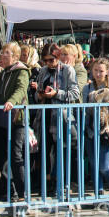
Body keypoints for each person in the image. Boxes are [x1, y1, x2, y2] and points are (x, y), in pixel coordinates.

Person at [33, 42, 79, 193]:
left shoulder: (67, 70)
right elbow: (36, 95)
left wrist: (56, 94)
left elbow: (74, 93)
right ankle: (46, 184)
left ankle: (66, 183)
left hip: (61, 117)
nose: (48, 63)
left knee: (64, 151)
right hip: (44, 116)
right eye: (45, 60)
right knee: (44, 151)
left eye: (51, 60)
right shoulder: (43, 71)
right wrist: (39, 94)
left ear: (57, 57)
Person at [0, 42, 29, 207]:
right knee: (1, 155)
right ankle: (8, 190)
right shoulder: (2, 73)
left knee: (15, 155)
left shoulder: (22, 72)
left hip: (16, 119)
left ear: (15, 56)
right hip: (1, 119)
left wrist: (12, 102)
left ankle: (21, 192)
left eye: (6, 53)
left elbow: (20, 90)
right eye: (1, 52)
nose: (2, 55)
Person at [82, 58, 109, 194]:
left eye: (101, 71)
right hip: (91, 127)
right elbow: (84, 106)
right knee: (93, 163)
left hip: (107, 128)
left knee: (103, 165)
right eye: (95, 70)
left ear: (107, 71)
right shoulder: (87, 87)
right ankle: (99, 190)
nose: (98, 74)